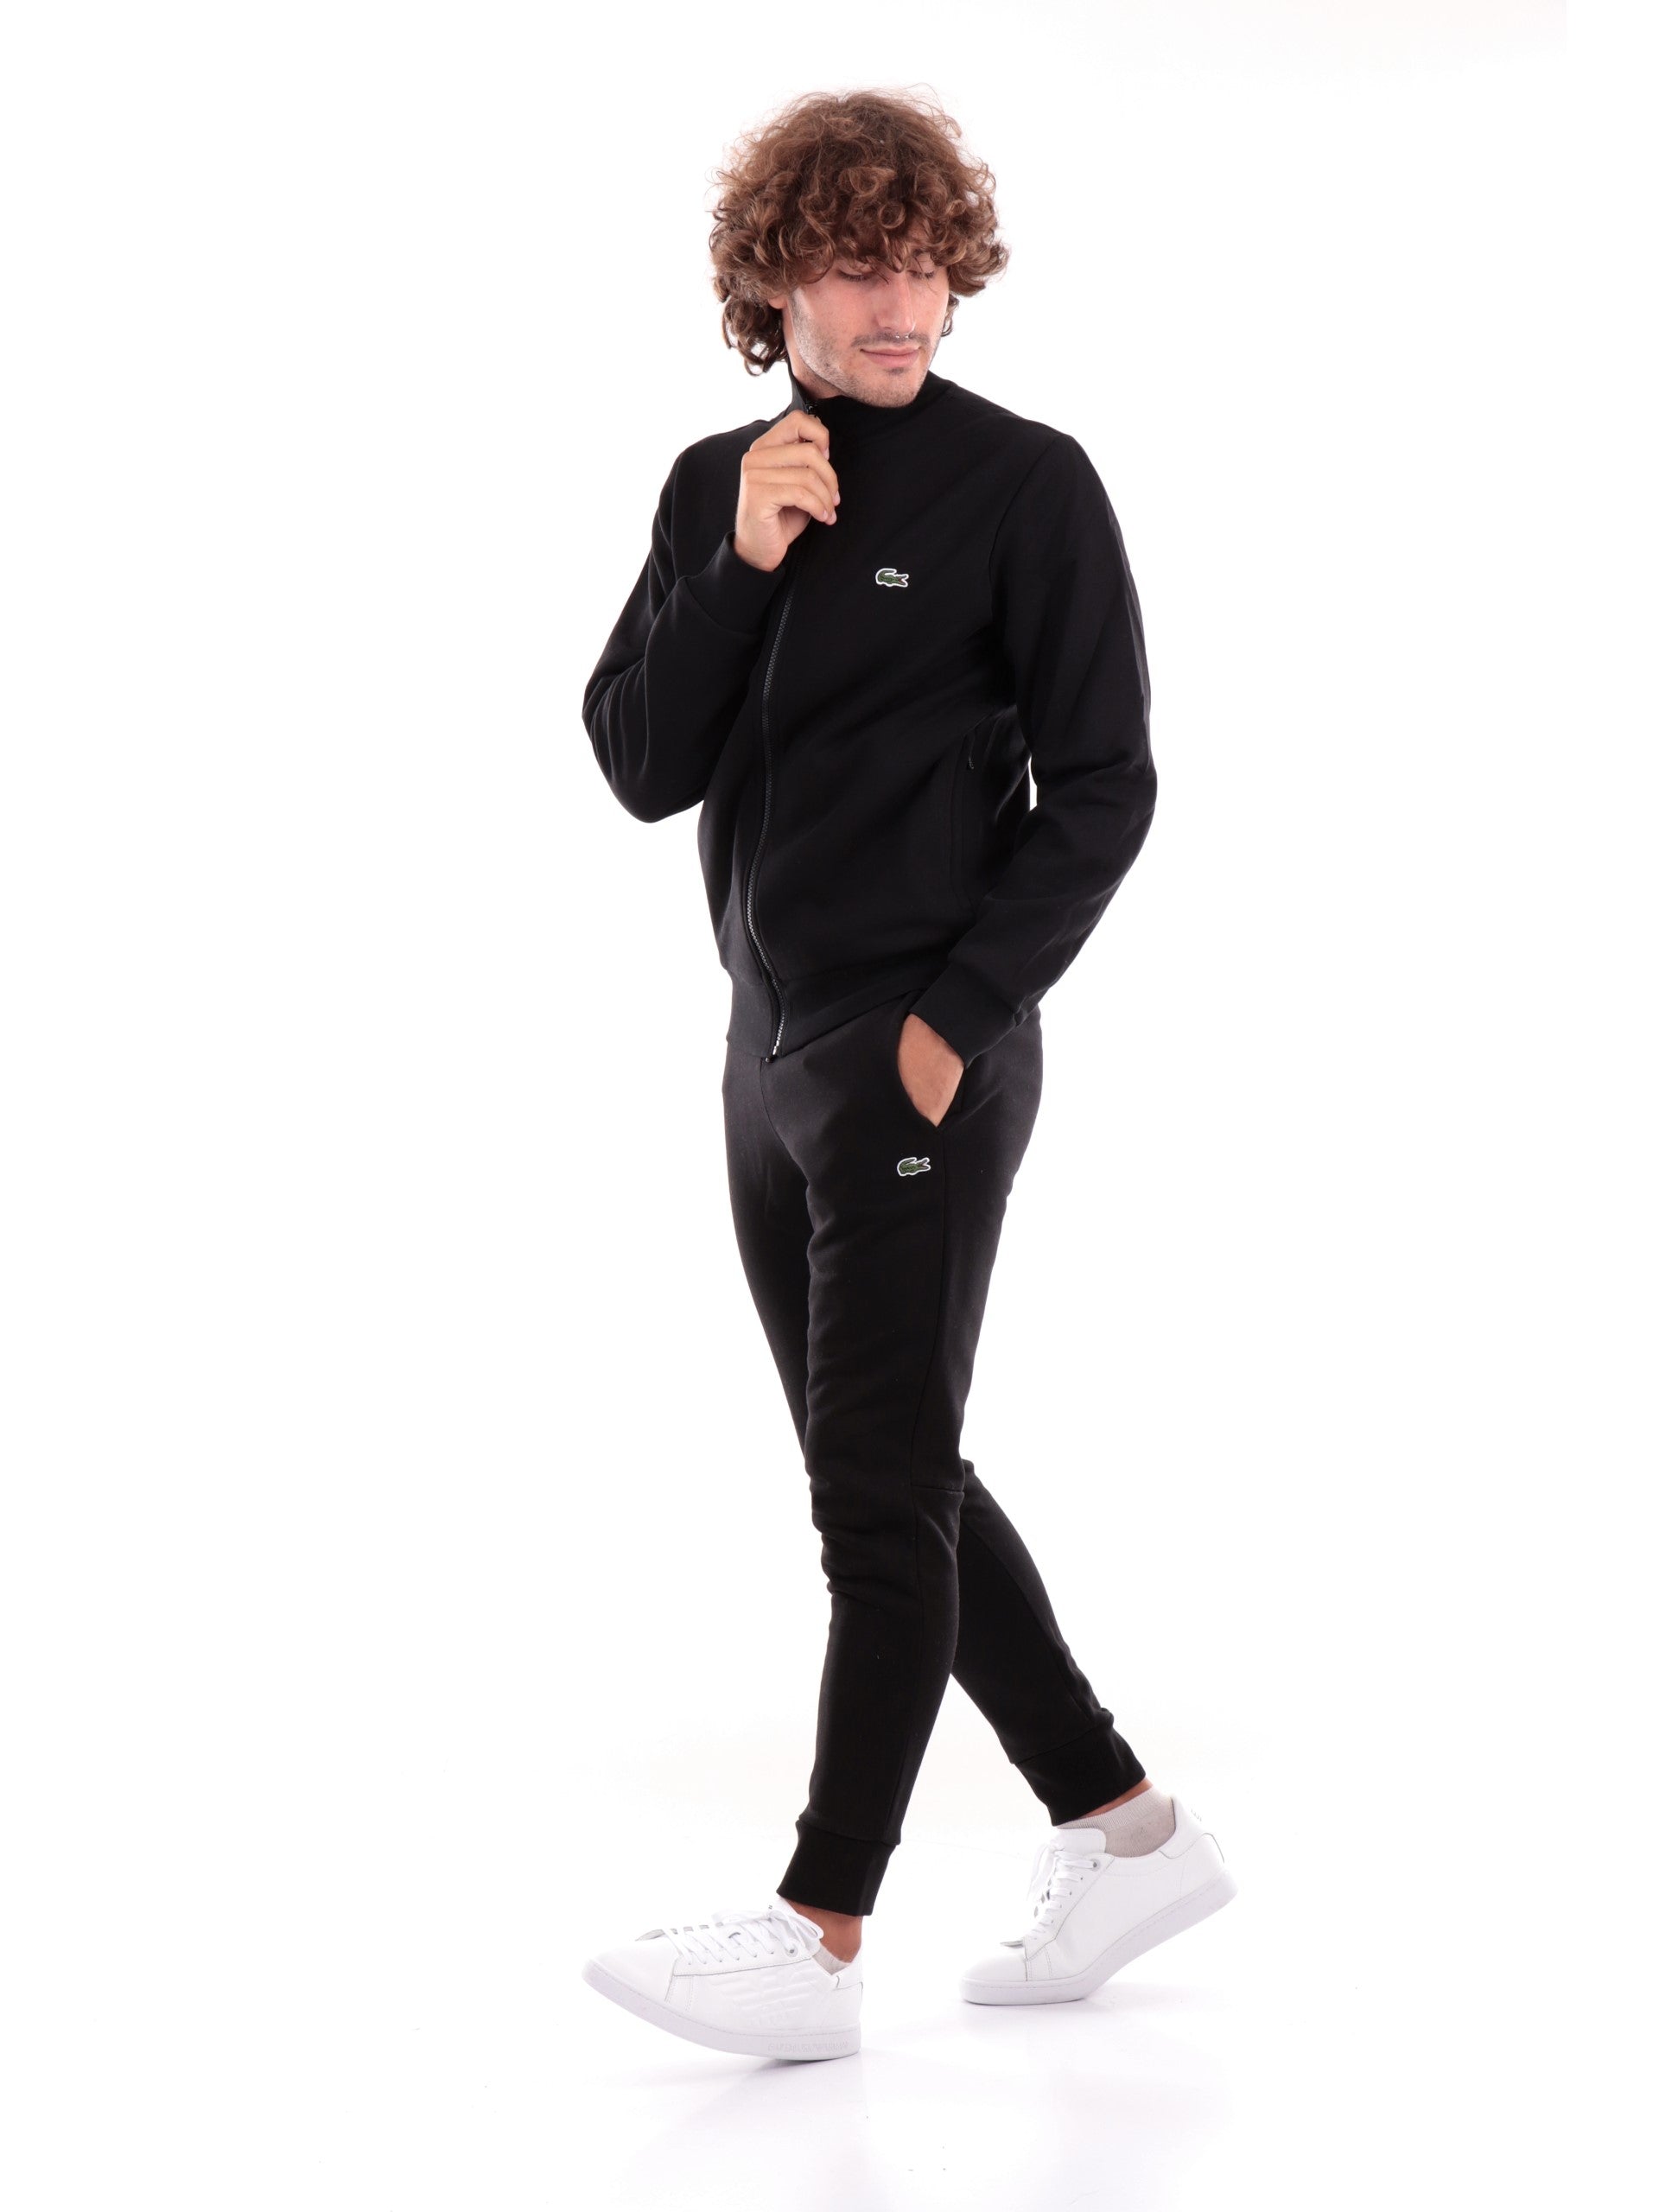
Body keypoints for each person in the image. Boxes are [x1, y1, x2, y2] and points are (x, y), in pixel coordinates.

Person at [576, 89, 1234, 2063]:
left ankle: (820, 1929)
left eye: (928, 263)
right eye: (861, 266)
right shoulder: (716, 486)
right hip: (762, 1058)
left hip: (922, 1054)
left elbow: (1106, 785)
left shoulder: (1025, 487)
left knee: (873, 1498)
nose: (902, 304)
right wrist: (742, 559)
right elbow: (638, 760)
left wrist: (952, 1024)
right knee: (896, 1471)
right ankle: (1125, 1829)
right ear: (774, 284)